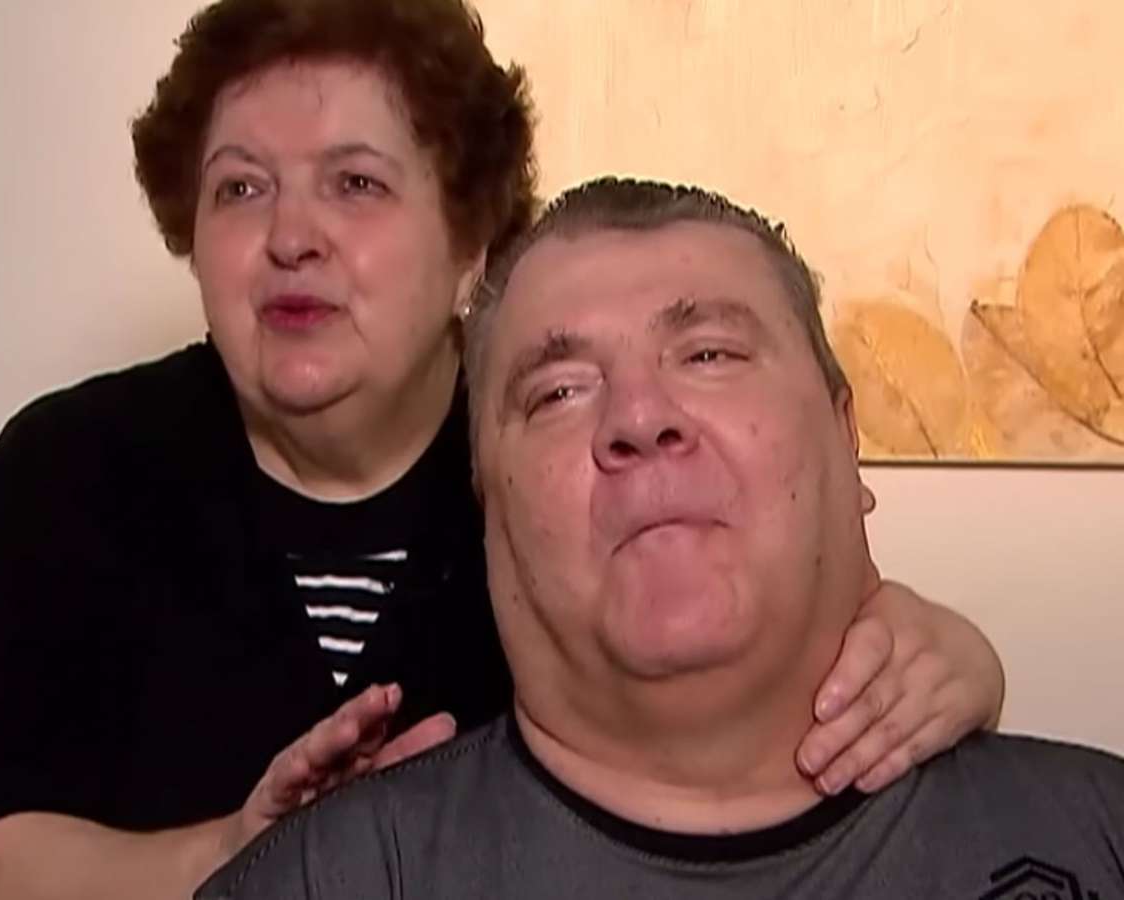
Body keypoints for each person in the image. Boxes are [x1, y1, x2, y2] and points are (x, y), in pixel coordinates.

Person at [0, 2, 1003, 898]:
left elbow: (751, 711)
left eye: (356, 183)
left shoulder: (559, 463)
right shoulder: (66, 475)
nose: (290, 237)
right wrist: (241, 857)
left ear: (471, 244)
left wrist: (947, 663)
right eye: (241, 187)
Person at [199, 177, 1124, 900]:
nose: (639, 417)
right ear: (486, 501)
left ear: (846, 437)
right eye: (559, 391)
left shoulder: (1099, 840)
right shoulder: (326, 884)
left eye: (710, 354)